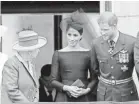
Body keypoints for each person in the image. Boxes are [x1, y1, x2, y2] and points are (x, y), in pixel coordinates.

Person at [48, 10, 98, 102]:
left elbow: (94, 79)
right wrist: (67, 88)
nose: (72, 38)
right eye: (69, 35)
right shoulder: (58, 53)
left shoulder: (88, 53)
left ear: (81, 36)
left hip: (83, 95)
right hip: (64, 97)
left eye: (75, 35)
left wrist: (86, 91)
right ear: (66, 34)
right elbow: (52, 81)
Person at [91, 12, 138, 102]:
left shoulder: (131, 42)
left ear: (114, 26)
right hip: (104, 94)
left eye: (105, 30)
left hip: (126, 93)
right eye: (101, 30)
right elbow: (94, 70)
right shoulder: (96, 43)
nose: (102, 33)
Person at [2, 29, 47, 103]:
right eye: (37, 48)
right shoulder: (11, 64)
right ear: (30, 51)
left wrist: (36, 99)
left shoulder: (31, 64)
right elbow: (12, 91)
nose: (39, 51)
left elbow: (36, 87)